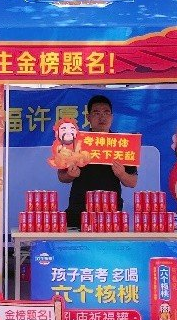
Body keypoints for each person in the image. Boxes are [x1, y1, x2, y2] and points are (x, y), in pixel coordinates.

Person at [58, 94, 137, 230]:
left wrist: (122, 174)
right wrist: (70, 175)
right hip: (78, 212)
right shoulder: (75, 141)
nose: (102, 117)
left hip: (111, 213)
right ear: (88, 117)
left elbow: (132, 182)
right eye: (96, 113)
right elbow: (61, 176)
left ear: (112, 117)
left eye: (106, 113)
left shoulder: (123, 144)